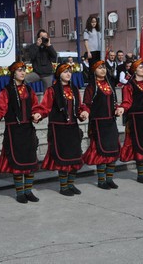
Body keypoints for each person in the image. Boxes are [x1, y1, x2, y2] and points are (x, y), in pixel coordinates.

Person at [0, 61, 41, 204]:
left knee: (30, 161)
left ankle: (28, 191)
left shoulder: (29, 90)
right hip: (14, 131)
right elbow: (0, 108)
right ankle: (20, 193)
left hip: (28, 129)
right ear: (13, 73)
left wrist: (37, 114)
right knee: (18, 163)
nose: (22, 73)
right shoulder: (6, 91)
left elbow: (36, 106)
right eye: (19, 70)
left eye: (24, 70)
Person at [36, 63, 89, 196]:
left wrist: (84, 112)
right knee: (63, 159)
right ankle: (63, 186)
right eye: (65, 71)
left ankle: (71, 184)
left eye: (69, 71)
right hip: (58, 128)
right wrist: (38, 114)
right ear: (59, 74)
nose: (68, 74)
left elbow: (79, 107)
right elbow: (45, 107)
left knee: (75, 157)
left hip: (72, 127)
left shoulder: (75, 89)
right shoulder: (52, 90)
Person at [82, 61, 124, 189]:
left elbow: (115, 102)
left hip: (110, 122)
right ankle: (101, 180)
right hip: (98, 123)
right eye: (99, 68)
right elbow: (86, 104)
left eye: (104, 67)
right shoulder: (91, 87)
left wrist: (118, 109)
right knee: (101, 153)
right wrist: (85, 112)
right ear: (94, 70)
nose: (103, 70)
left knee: (112, 150)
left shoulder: (110, 84)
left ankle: (110, 179)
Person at [119, 59, 143, 184]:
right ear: (135, 70)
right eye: (141, 67)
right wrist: (122, 108)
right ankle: (140, 175)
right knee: (140, 147)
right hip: (136, 120)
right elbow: (127, 101)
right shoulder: (129, 86)